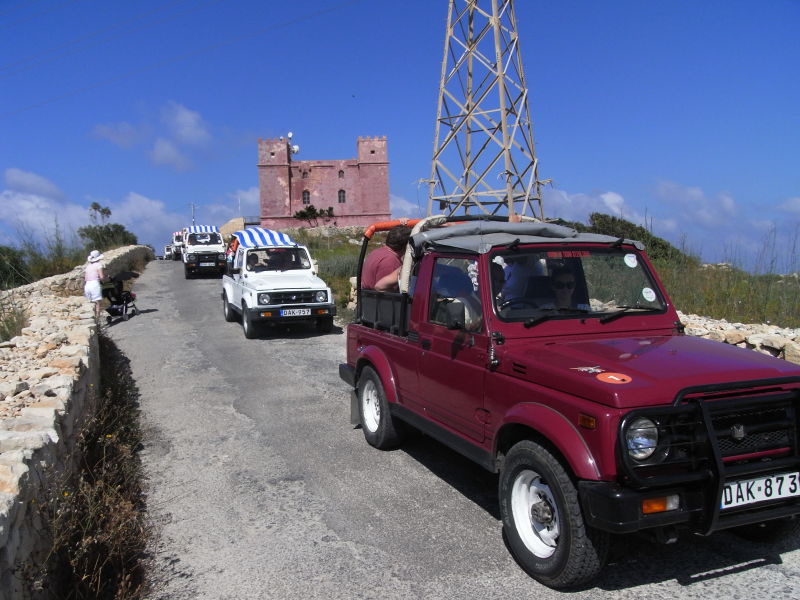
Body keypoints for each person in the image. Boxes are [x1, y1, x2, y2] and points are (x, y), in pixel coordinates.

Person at [362, 223, 412, 292]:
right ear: (406, 245)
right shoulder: (391, 260)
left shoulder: (376, 252)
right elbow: (383, 290)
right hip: (378, 301)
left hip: (366, 300)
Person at [84, 250, 105, 320]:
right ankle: (97, 319)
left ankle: (92, 319)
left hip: (87, 285)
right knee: (97, 303)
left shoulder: (88, 266)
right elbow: (101, 277)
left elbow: (85, 277)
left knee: (90, 303)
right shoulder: (99, 265)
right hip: (94, 284)